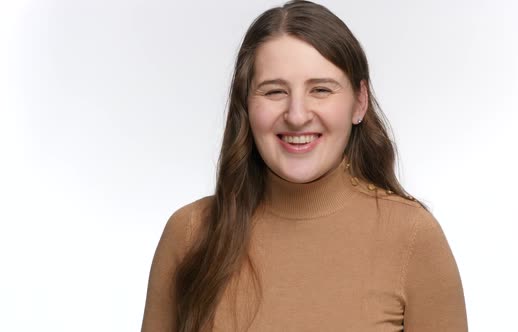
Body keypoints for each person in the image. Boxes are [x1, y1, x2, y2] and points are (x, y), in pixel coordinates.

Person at [140, 1, 467, 331]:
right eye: (274, 91)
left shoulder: (413, 237)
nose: (297, 115)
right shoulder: (189, 233)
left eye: (321, 89)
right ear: (246, 104)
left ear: (359, 102)